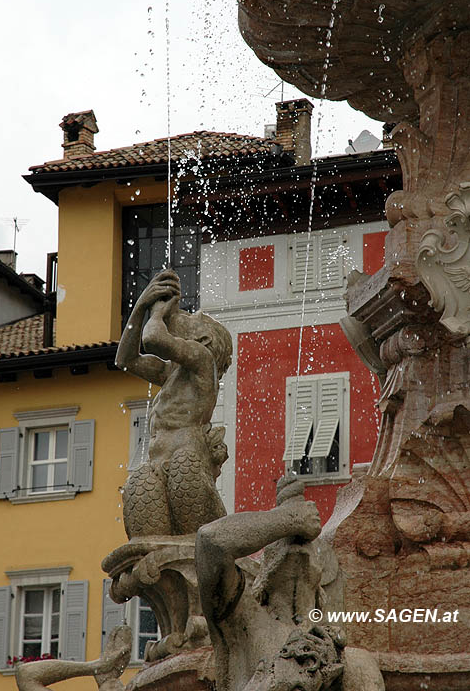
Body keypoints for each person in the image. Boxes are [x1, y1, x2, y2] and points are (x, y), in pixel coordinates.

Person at [195, 472, 385, 691]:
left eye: (311, 545)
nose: (296, 539)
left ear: (321, 581)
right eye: (276, 542)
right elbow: (210, 543)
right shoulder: (243, 622)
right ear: (261, 580)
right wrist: (288, 518)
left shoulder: (349, 657)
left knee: (361, 665)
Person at [116, 269, 232, 537]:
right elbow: (126, 360)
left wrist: (155, 312)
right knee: (140, 493)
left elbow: (153, 339)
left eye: (193, 319)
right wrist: (139, 308)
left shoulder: (204, 361)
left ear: (204, 340)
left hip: (185, 463)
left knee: (192, 539)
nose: (183, 316)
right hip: (160, 466)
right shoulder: (171, 373)